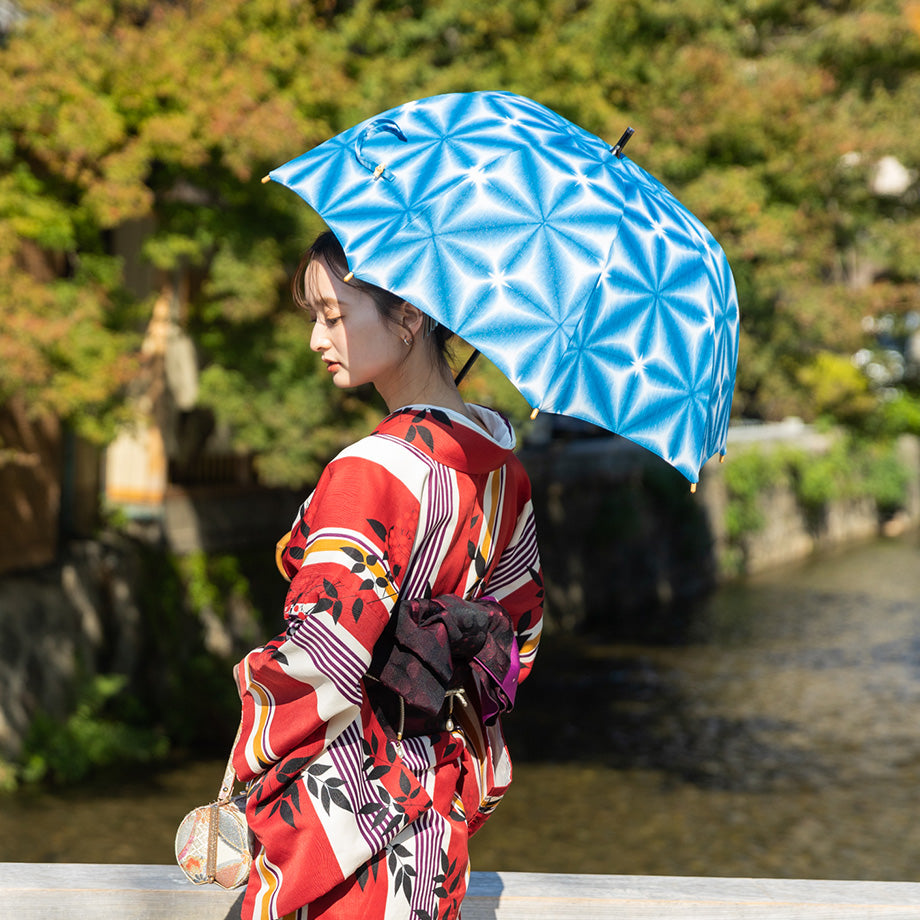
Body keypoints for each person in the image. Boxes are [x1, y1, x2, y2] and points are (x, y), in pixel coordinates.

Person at [231, 231, 544, 920]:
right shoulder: (503, 473)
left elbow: (318, 659)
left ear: (408, 316)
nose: (317, 338)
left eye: (334, 315)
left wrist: (242, 780)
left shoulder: (370, 472)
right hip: (437, 817)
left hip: (348, 820)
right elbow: (515, 647)